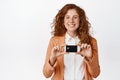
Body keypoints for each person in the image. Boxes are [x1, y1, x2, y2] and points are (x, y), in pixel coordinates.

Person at [43, 3, 100, 80]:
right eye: (67, 17)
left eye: (75, 17)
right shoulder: (54, 41)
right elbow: (46, 74)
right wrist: (52, 59)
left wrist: (89, 58)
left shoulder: (91, 42)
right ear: (63, 21)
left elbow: (95, 74)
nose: (71, 21)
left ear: (80, 20)